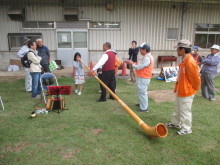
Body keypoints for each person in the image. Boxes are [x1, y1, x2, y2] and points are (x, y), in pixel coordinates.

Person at [166, 39, 201, 135]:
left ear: (183, 50)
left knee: (185, 110)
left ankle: (186, 128)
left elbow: (196, 79)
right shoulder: (184, 60)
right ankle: (176, 123)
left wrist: (192, 89)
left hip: (187, 91)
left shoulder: (190, 62)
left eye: (178, 49)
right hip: (181, 89)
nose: (176, 51)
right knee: (177, 108)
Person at [125, 43, 154, 112]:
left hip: (144, 78)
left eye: (140, 49)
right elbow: (140, 66)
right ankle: (141, 104)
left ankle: (144, 108)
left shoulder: (147, 58)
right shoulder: (148, 57)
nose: (139, 51)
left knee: (143, 93)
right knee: (141, 92)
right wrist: (133, 63)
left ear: (145, 50)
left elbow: (139, 67)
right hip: (142, 77)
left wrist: (131, 63)